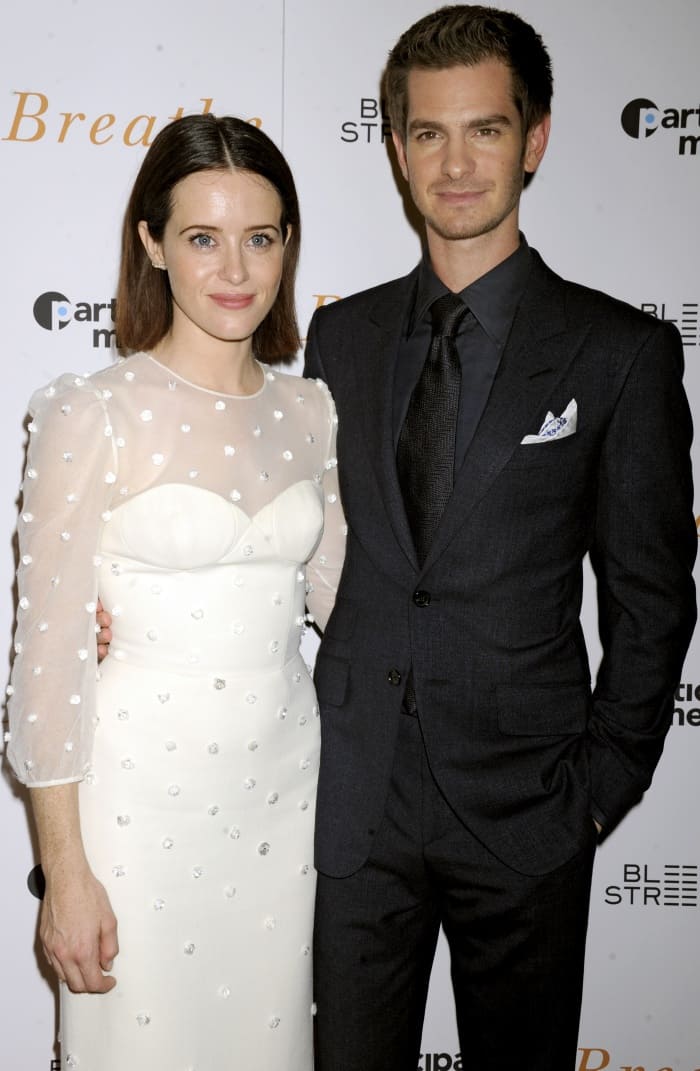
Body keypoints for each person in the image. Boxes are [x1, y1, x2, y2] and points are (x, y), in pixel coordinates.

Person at [303, 6, 697, 1070]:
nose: (456, 162)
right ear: (395, 149)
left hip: (528, 814)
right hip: (357, 809)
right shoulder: (341, 337)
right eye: (427, 133)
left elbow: (650, 597)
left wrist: (593, 792)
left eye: (484, 129)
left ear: (535, 139)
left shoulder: (618, 351)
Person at [6, 113, 345, 1071]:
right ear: (153, 244)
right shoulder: (88, 411)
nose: (235, 267)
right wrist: (65, 875)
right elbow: (46, 668)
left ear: (287, 246)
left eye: (261, 236)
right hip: (139, 811)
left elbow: (354, 604)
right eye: (202, 236)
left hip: (286, 802)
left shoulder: (311, 412)